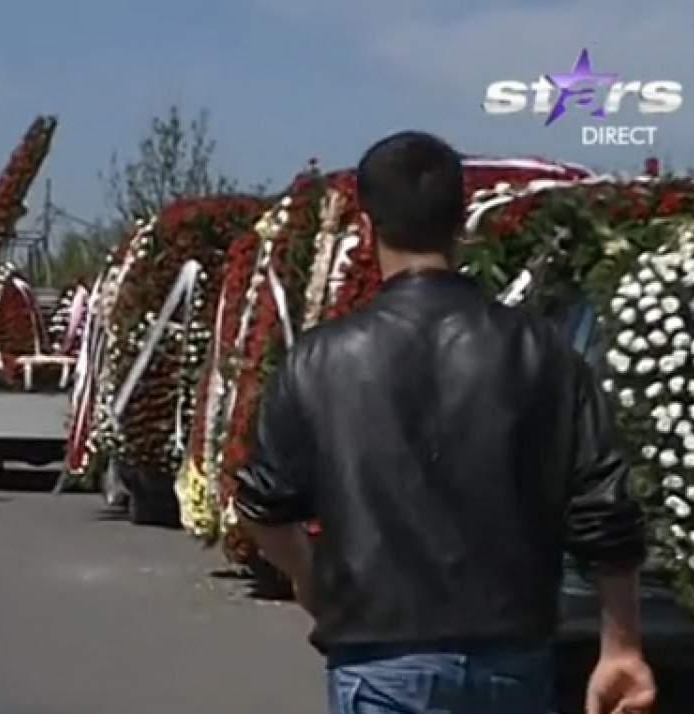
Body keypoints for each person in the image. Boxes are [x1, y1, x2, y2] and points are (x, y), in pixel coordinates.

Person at [235, 132, 655, 714]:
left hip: (381, 659)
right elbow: (604, 505)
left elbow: (262, 504)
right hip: (512, 654)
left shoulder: (320, 359)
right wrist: (621, 647)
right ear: (463, 218)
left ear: (367, 221)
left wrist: (314, 581)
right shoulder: (542, 351)